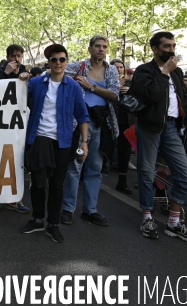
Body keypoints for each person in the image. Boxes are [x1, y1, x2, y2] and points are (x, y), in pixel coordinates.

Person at [131, 31, 187, 243]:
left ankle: (173, 222)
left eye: (173, 45)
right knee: (147, 173)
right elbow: (151, 95)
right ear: (155, 49)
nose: (172, 50)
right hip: (149, 128)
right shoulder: (144, 71)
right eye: (167, 46)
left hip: (171, 128)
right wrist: (164, 72)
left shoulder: (177, 72)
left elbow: (183, 100)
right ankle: (147, 216)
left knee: (185, 175)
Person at [19, 45, 89, 243]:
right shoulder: (36, 83)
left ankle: (53, 224)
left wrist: (84, 142)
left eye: (62, 59)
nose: (58, 63)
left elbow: (82, 116)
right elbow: (17, 95)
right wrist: (22, 79)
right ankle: (37, 219)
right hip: (39, 139)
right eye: (54, 59)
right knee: (38, 183)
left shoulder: (73, 86)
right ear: (48, 62)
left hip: (62, 142)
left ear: (67, 62)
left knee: (57, 184)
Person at [61, 35, 119, 227]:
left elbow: (114, 94)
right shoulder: (78, 67)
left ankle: (90, 210)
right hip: (79, 125)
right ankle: (68, 209)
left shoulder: (111, 70)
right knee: (75, 166)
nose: (101, 50)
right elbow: (56, 74)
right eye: (97, 46)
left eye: (104, 47)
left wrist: (91, 87)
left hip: (101, 125)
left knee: (95, 168)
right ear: (90, 49)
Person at [0, 44, 29, 214]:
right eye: (14, 56)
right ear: (8, 57)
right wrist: (6, 74)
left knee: (16, 161)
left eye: (19, 56)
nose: (16, 59)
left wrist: (27, 78)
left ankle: (14, 199)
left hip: (17, 122)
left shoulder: (25, 70)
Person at [110, 58, 133, 194]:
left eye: (121, 67)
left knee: (124, 151)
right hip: (110, 120)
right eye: (116, 67)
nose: (119, 70)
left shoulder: (130, 83)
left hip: (126, 121)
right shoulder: (107, 82)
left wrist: (130, 90)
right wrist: (115, 87)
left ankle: (122, 182)